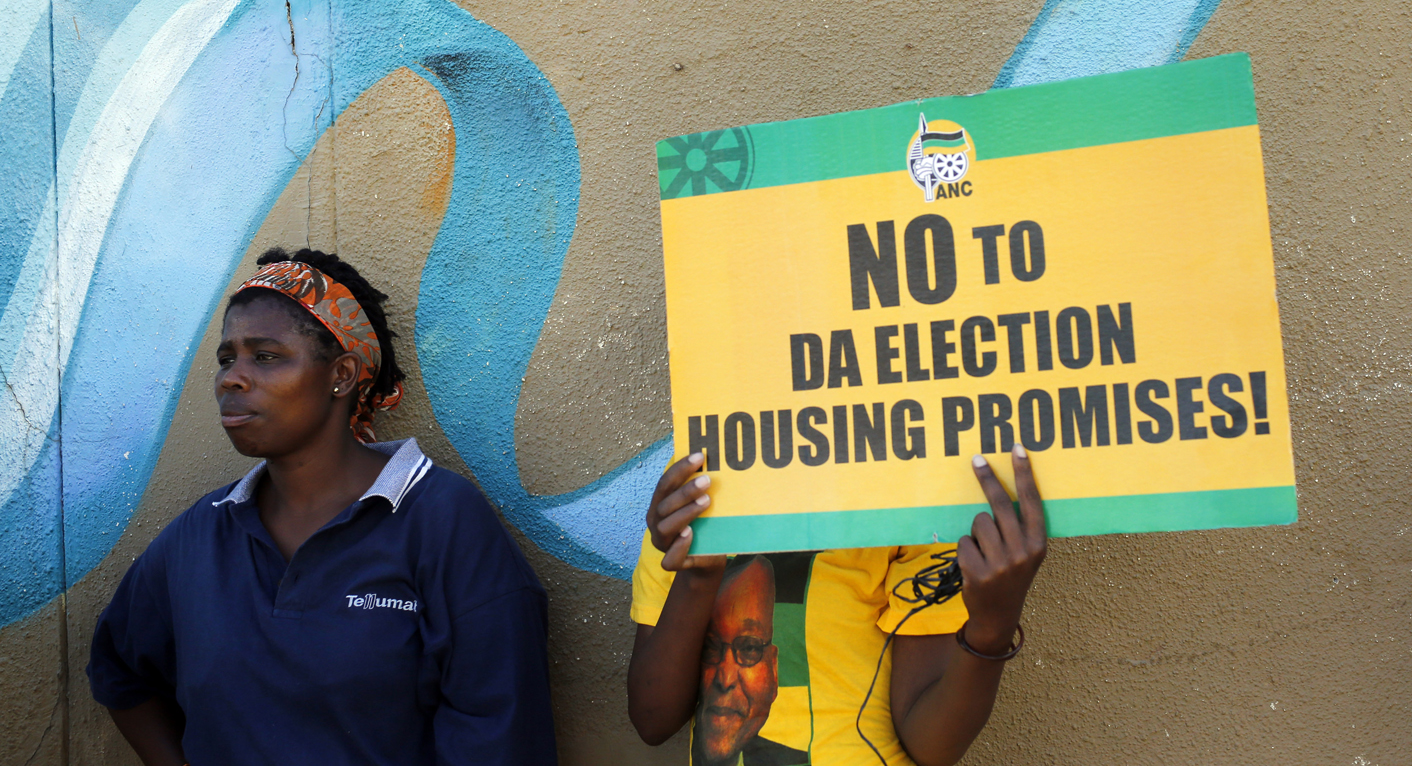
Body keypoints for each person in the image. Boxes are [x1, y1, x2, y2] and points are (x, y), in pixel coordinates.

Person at [86, 249, 557, 766]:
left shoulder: (443, 521)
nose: (231, 379)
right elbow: (119, 669)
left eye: (265, 356)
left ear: (342, 375)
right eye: (227, 359)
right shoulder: (205, 531)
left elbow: (502, 730)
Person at [627, 447, 1046, 766]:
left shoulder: (914, 484)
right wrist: (697, 578)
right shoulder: (694, 486)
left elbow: (930, 744)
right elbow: (652, 721)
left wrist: (993, 626)